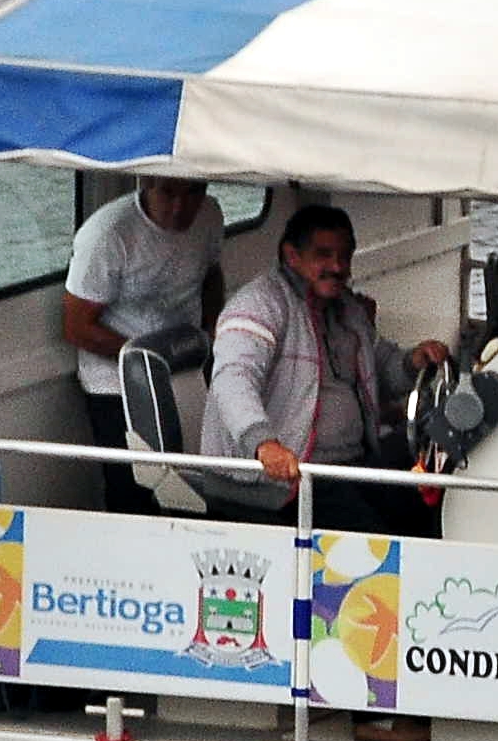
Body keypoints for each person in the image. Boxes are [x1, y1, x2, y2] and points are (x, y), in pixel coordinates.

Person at [203, 202, 450, 534]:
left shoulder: (348, 310)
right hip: (284, 479)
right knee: (379, 535)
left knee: (423, 512)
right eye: (324, 255)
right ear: (292, 256)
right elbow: (233, 379)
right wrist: (264, 445)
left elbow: (381, 369)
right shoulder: (257, 305)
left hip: (347, 465)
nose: (337, 266)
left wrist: (413, 362)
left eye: (345, 256)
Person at [60, 175, 223, 505]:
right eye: (168, 192)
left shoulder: (210, 215)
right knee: (134, 487)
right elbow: (76, 327)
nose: (180, 207)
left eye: (193, 192)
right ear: (146, 183)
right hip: (116, 382)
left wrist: (212, 330)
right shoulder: (108, 235)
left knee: (194, 479)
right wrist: (147, 363)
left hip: (185, 370)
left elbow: (212, 273)